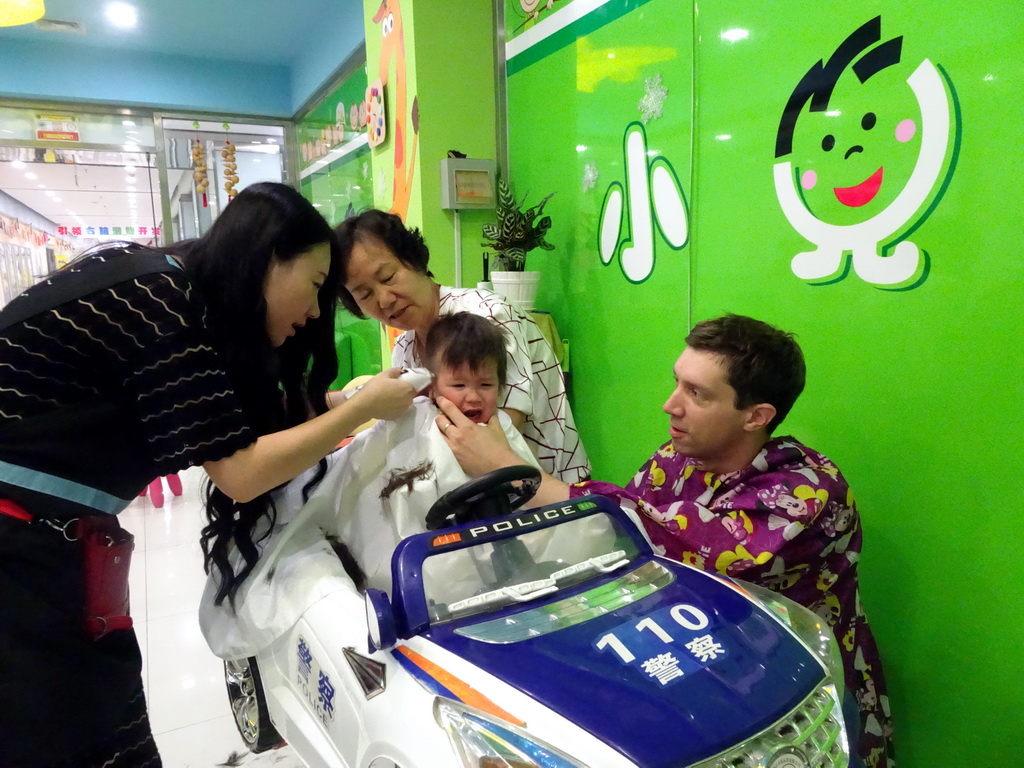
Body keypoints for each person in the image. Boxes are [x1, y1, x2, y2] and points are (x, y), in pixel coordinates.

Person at [0, 182, 415, 768]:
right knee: (63, 733)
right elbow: (240, 473)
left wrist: (339, 403)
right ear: (269, 258)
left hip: (55, 539)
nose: (318, 311)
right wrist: (360, 410)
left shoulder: (178, 284)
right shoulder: (167, 302)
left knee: (108, 721)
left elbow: (240, 432)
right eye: (319, 286)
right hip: (17, 542)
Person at [436, 314, 894, 768]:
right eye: (678, 383)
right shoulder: (678, 458)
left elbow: (682, 546)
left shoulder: (807, 493)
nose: (671, 406)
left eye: (696, 394)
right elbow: (623, 544)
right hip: (695, 663)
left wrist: (517, 474)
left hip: (793, 684)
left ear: (756, 416)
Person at [200, 311, 538, 657]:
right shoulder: (411, 418)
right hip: (412, 551)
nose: (473, 398)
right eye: (459, 385)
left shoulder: (500, 429)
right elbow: (361, 465)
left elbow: (528, 488)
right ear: (433, 383)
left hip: (486, 558)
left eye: (486, 385)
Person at [335, 208, 590, 483]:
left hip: (549, 495)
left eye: (388, 277)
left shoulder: (487, 316)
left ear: (414, 260)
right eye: (364, 294)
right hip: (473, 496)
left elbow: (499, 434)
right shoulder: (405, 348)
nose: (384, 300)